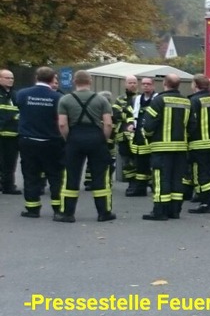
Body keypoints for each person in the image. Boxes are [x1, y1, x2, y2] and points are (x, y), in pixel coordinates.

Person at [55, 70, 115, 223]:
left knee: (71, 176)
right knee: (100, 176)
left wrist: (69, 139)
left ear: (75, 81)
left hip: (75, 137)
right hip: (96, 137)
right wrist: (103, 139)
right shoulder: (102, 100)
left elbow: (62, 124)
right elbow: (108, 123)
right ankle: (104, 213)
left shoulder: (65, 100)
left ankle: (67, 213)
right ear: (90, 81)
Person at [15, 67, 64, 218]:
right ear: (52, 79)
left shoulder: (22, 94)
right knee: (55, 175)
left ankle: (32, 209)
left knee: (30, 174)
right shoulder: (57, 97)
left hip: (28, 141)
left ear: (36, 77)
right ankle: (58, 209)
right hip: (51, 142)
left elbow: (20, 109)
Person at [142, 74, 190, 220]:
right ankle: (175, 211)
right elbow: (191, 125)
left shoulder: (158, 100)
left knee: (161, 178)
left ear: (164, 83)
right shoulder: (186, 101)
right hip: (181, 148)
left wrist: (148, 136)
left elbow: (149, 125)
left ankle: (159, 212)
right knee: (177, 179)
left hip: (161, 148)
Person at [187, 74, 210, 214]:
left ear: (195, 84)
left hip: (199, 144)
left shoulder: (194, 101)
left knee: (202, 174)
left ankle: (205, 202)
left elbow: (191, 124)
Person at [127, 77, 155, 197]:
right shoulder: (137, 99)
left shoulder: (157, 99)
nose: (145, 86)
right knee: (140, 163)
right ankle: (141, 187)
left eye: (148, 84)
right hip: (138, 136)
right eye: (143, 84)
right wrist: (130, 125)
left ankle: (153, 185)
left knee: (153, 164)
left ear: (153, 85)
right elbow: (130, 114)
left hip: (152, 136)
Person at [0, 69, 21, 195]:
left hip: (13, 134)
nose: (10, 80)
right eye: (7, 78)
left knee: (10, 162)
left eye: (12, 78)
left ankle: (8, 186)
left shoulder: (15, 95)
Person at [116, 76, 137, 195]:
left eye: (134, 82)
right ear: (125, 84)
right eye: (130, 83)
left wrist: (127, 114)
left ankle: (141, 184)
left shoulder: (140, 98)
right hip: (123, 136)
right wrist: (130, 115)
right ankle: (131, 182)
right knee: (126, 161)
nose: (132, 85)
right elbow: (116, 114)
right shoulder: (120, 99)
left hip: (137, 136)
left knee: (139, 161)